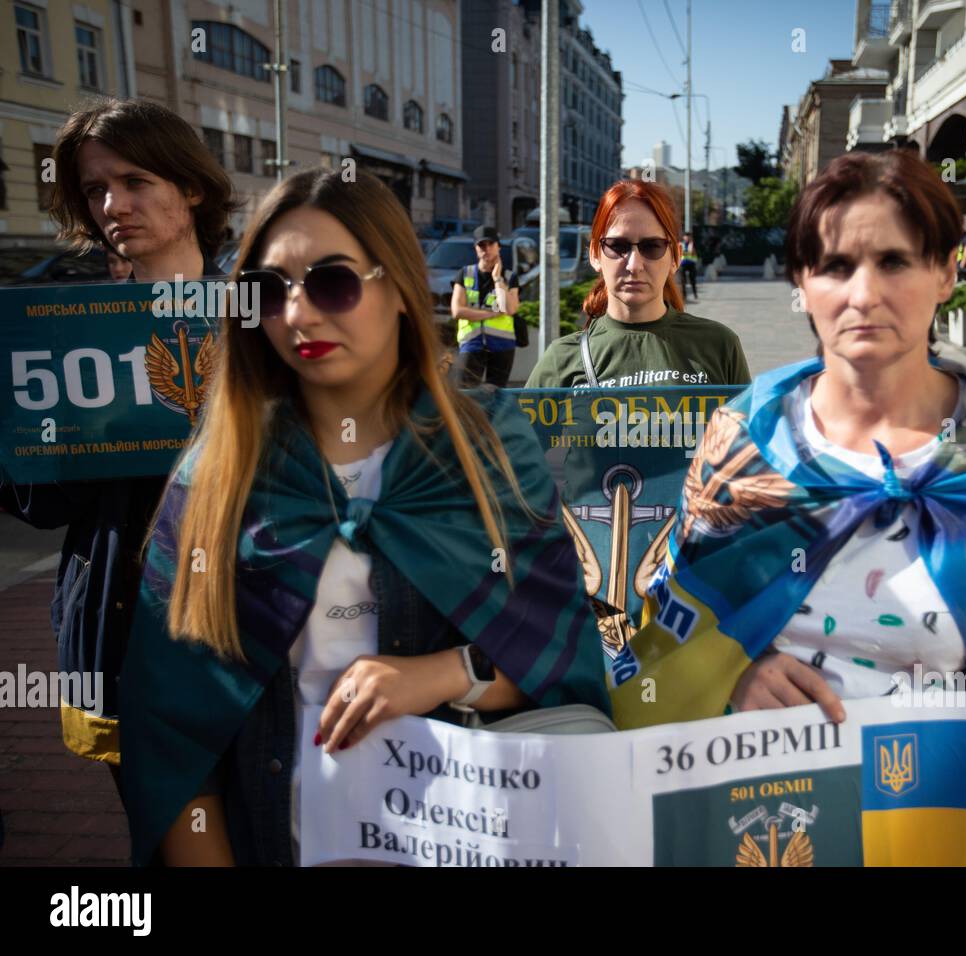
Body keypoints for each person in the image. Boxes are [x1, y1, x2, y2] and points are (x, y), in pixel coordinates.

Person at [608, 150, 966, 864]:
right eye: (834, 266)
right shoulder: (746, 440)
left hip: (960, 817)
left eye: (894, 261)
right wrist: (738, 674)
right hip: (776, 815)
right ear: (801, 281)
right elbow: (666, 621)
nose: (863, 293)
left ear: (947, 271)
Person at [117, 168, 608, 866]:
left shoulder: (489, 447)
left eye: (333, 281)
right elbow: (170, 728)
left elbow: (558, 653)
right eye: (268, 291)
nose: (299, 315)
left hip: (460, 839)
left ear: (401, 289)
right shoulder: (218, 474)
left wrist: (445, 673)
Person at [0, 98, 233, 780]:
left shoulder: (261, 320)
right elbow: (43, 505)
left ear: (190, 186)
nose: (113, 204)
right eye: (96, 188)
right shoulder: (65, 333)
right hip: (125, 629)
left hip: (247, 629)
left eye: (135, 182)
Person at [525, 180, 750, 389]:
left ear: (676, 257)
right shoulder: (561, 360)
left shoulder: (718, 346)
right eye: (618, 246)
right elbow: (514, 430)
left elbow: (748, 431)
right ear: (595, 254)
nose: (634, 265)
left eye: (652, 246)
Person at [452, 224, 520, 388]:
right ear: (475, 248)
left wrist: (497, 278)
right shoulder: (465, 273)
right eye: (481, 245)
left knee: (495, 396)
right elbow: (457, 311)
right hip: (471, 343)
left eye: (491, 244)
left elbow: (509, 309)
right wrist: (491, 314)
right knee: (464, 393)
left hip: (502, 346)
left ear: (498, 247)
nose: (486, 249)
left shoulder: (509, 277)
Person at [679, 231, 699, 300]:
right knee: (683, 281)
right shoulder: (680, 244)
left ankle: (695, 293)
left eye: (688, 236)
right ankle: (684, 295)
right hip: (683, 264)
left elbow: (695, 254)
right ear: (683, 237)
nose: (687, 238)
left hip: (691, 264)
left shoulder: (693, 245)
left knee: (692, 279)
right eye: (686, 236)